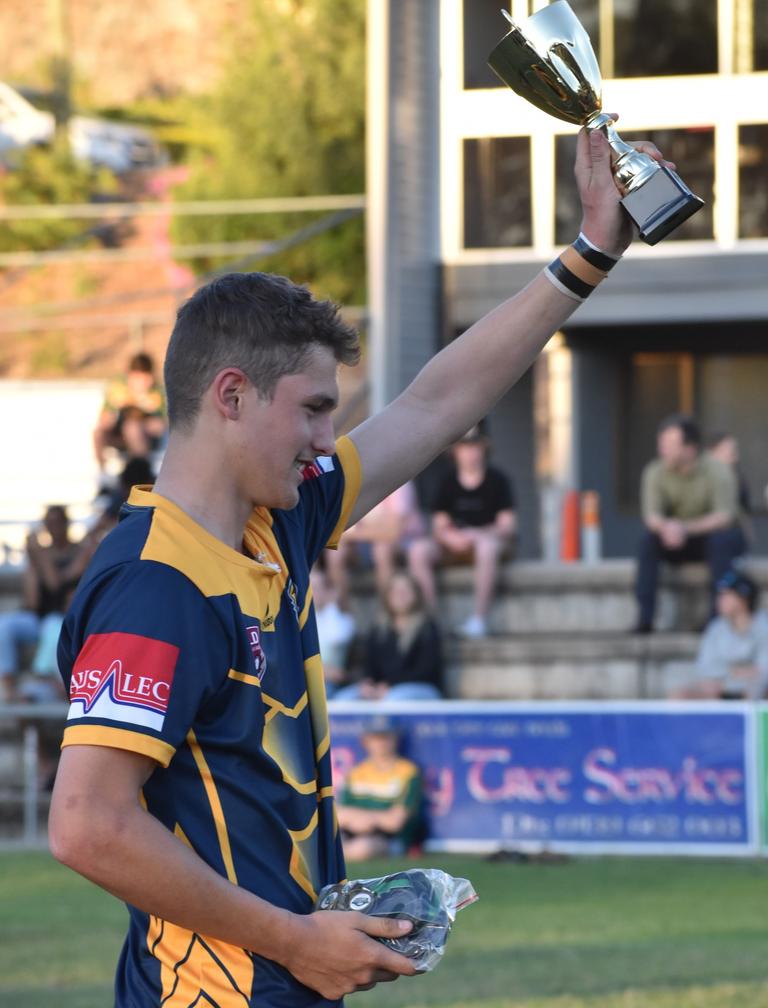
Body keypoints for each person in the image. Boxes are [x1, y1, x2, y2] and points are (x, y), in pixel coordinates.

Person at [49, 126, 670, 1006]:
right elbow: (86, 826)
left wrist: (591, 253)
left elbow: (437, 400)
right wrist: (297, 941)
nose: (320, 442)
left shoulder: (277, 524)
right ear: (230, 396)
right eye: (309, 411)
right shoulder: (159, 583)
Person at [633, 414, 747, 633]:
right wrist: (668, 528)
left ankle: (715, 620)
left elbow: (724, 516)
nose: (663, 449)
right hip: (675, 538)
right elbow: (651, 516)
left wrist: (684, 528)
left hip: (711, 537)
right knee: (647, 541)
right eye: (661, 443)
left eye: (670, 444)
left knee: (722, 541)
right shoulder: (654, 471)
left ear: (690, 448)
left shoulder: (717, 470)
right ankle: (645, 618)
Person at [408, 423, 516, 638]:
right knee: (418, 550)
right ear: (455, 451)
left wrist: (480, 534)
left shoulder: (498, 480)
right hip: (454, 545)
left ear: (484, 448)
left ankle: (479, 619)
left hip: (487, 543)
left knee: (487, 547)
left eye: (475, 447)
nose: (470, 454)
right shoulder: (446, 481)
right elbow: (439, 525)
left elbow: (507, 526)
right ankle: (432, 619)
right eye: (465, 448)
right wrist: (451, 537)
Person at [0, 506, 92, 701]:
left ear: (66, 523)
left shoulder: (79, 551)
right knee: (4, 625)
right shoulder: (40, 555)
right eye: (49, 523)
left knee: (52, 625)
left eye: (57, 522)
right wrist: (34, 564)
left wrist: (39, 556)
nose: (53, 527)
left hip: (63, 617)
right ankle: (7, 686)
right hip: (37, 617)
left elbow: (56, 582)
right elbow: (31, 601)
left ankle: (41, 677)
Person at [333, 571, 443, 701]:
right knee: (343, 698)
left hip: (422, 688)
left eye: (405, 591)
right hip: (384, 689)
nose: (401, 596)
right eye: (396, 591)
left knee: (393, 698)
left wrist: (390, 685)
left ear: (416, 594)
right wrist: (369, 684)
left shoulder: (427, 628)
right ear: (387, 596)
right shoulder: (378, 629)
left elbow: (426, 671)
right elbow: (369, 665)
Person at [324, 480, 425, 607]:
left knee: (381, 549)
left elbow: (392, 533)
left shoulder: (399, 482)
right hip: (366, 544)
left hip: (404, 541)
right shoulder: (358, 481)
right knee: (335, 552)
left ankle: (387, 611)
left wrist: (352, 533)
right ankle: (341, 613)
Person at [336, 716, 424, 862]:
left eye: (386, 737)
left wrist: (367, 819)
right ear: (365, 741)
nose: (381, 743)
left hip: (390, 840)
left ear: (396, 739)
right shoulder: (356, 772)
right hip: (352, 833)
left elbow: (395, 822)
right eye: (376, 738)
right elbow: (340, 815)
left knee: (362, 849)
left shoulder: (408, 772)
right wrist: (371, 819)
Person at [671, 569, 768, 699]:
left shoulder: (763, 626)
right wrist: (734, 674)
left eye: (726, 595)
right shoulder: (716, 628)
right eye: (720, 595)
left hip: (756, 693)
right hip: (721, 688)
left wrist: (732, 679)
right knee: (681, 695)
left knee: (754, 690)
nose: (720, 600)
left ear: (743, 599)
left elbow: (763, 671)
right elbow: (705, 668)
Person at [93, 351, 167, 471]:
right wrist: (113, 415)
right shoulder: (119, 390)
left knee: (132, 428)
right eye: (137, 378)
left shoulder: (157, 394)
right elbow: (104, 417)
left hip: (146, 440)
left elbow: (162, 426)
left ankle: (140, 473)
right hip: (120, 437)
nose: (142, 383)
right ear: (130, 375)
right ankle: (103, 473)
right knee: (98, 433)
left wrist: (144, 412)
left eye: (145, 378)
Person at [310, 565, 357, 697]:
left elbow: (335, 638)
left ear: (330, 591)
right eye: (309, 588)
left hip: (334, 684)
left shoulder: (344, 621)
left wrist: (332, 603)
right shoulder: (295, 622)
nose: (312, 593)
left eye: (318, 588)